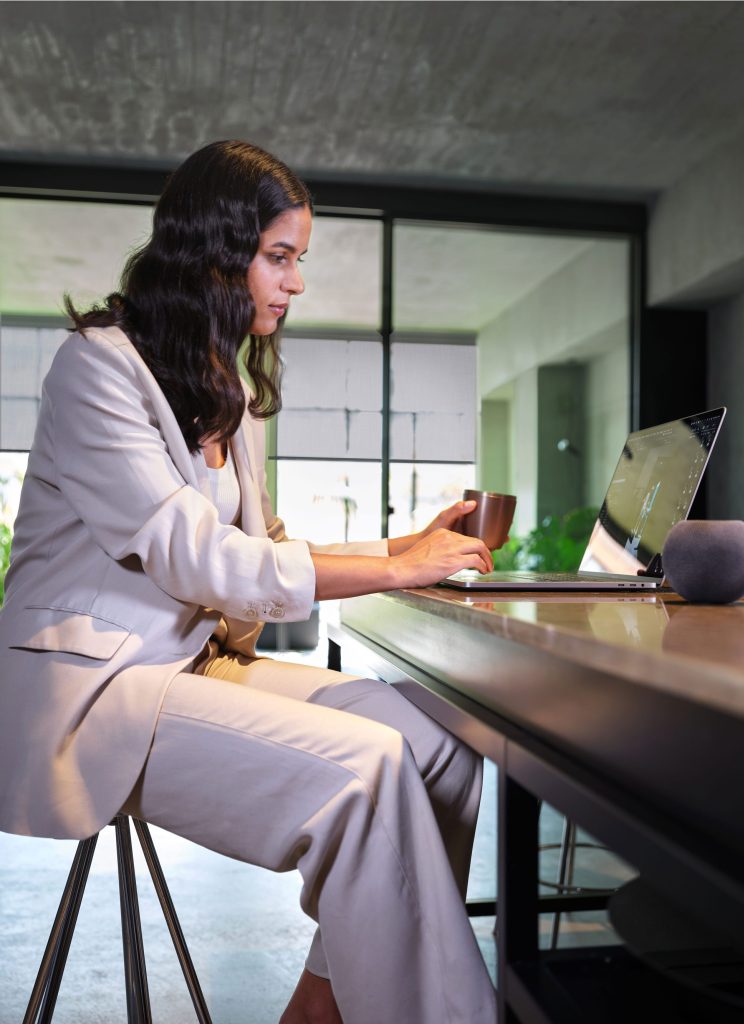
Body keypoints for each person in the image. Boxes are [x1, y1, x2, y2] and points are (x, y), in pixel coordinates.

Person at [0, 140, 497, 1023]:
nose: (295, 282)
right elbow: (200, 560)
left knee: (440, 749)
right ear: (214, 253)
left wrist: (403, 542)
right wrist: (395, 567)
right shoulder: (97, 369)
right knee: (368, 769)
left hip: (193, 666)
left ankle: (324, 1001)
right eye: (280, 256)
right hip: (93, 693)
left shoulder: (225, 384)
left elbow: (264, 546)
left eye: (296, 259)